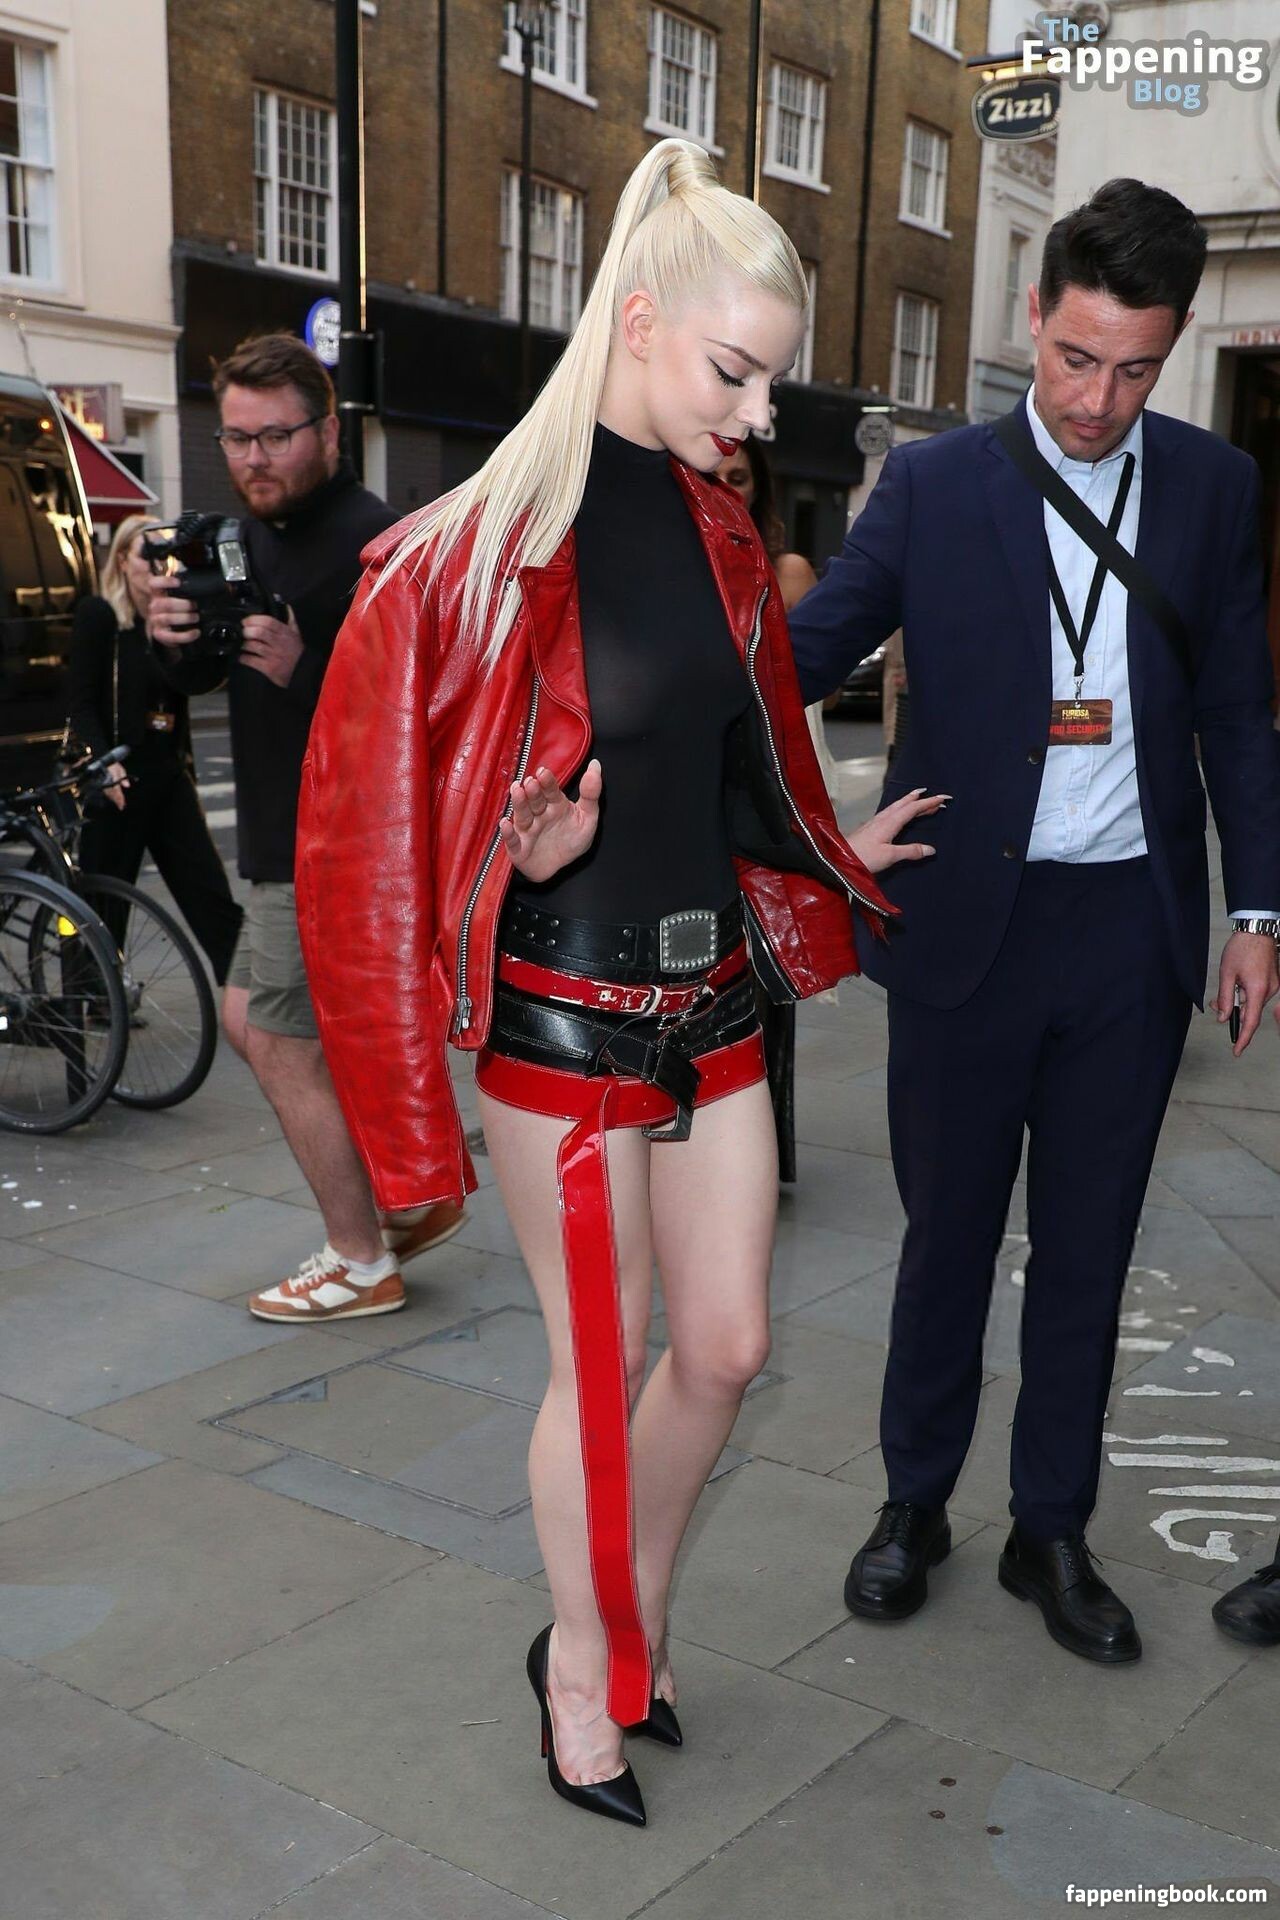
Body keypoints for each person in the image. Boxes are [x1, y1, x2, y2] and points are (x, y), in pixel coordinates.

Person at [295, 139, 942, 1826]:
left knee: (725, 1349)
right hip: (564, 1018)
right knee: (606, 1361)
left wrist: (837, 839)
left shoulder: (724, 533)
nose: (757, 415)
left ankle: (615, 1616)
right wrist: (520, 855)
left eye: (772, 383)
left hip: (714, 1003)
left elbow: (731, 770)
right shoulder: (470, 552)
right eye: (735, 373)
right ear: (640, 324)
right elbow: (366, 845)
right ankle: (584, 1671)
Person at [786, 178, 1280, 1666]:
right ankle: (913, 1504)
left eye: (1133, 370)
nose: (1094, 400)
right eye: (1074, 358)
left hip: (1126, 935)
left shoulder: (1213, 489)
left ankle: (1049, 1530)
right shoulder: (935, 485)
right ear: (1033, 318)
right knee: (944, 1242)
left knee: (1087, 1249)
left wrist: (1256, 909)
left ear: (1169, 349)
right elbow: (800, 656)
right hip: (962, 928)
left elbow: (1236, 715)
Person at [148, 334, 464, 1314]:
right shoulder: (253, 538)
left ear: (328, 433)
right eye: (236, 438)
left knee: (283, 1042)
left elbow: (426, 710)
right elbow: (209, 675)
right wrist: (173, 641)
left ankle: (360, 1257)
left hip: (333, 849)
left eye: (275, 437)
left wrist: (308, 668)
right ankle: (405, 1197)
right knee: (253, 1018)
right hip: (280, 840)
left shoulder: (376, 543)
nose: (253, 459)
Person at [716, 434, 832, 1182]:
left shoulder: (781, 567)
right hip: (699, 791)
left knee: (762, 972)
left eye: (740, 477)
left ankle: (756, 1152)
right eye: (717, 473)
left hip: (765, 790)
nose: (726, 485)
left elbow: (807, 680)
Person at [67, 513, 243, 983]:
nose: (156, 563)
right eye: (145, 553)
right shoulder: (101, 616)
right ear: (122, 560)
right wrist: (102, 765)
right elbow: (80, 703)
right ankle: (92, 1003)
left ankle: (246, 995)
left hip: (167, 776)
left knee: (210, 894)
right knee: (102, 908)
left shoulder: (175, 619)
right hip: (117, 782)